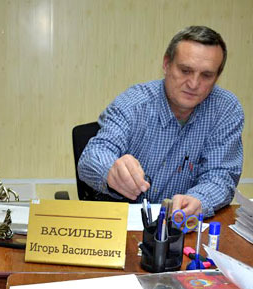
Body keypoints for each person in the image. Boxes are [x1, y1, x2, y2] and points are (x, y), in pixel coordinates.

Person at [77, 25, 244, 218]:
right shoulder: (133, 103)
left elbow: (221, 175)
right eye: (185, 70)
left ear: (217, 77)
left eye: (206, 75)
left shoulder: (226, 109)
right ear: (166, 64)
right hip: (122, 220)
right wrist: (111, 171)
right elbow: (93, 155)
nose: (193, 84)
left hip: (182, 225)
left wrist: (199, 199)